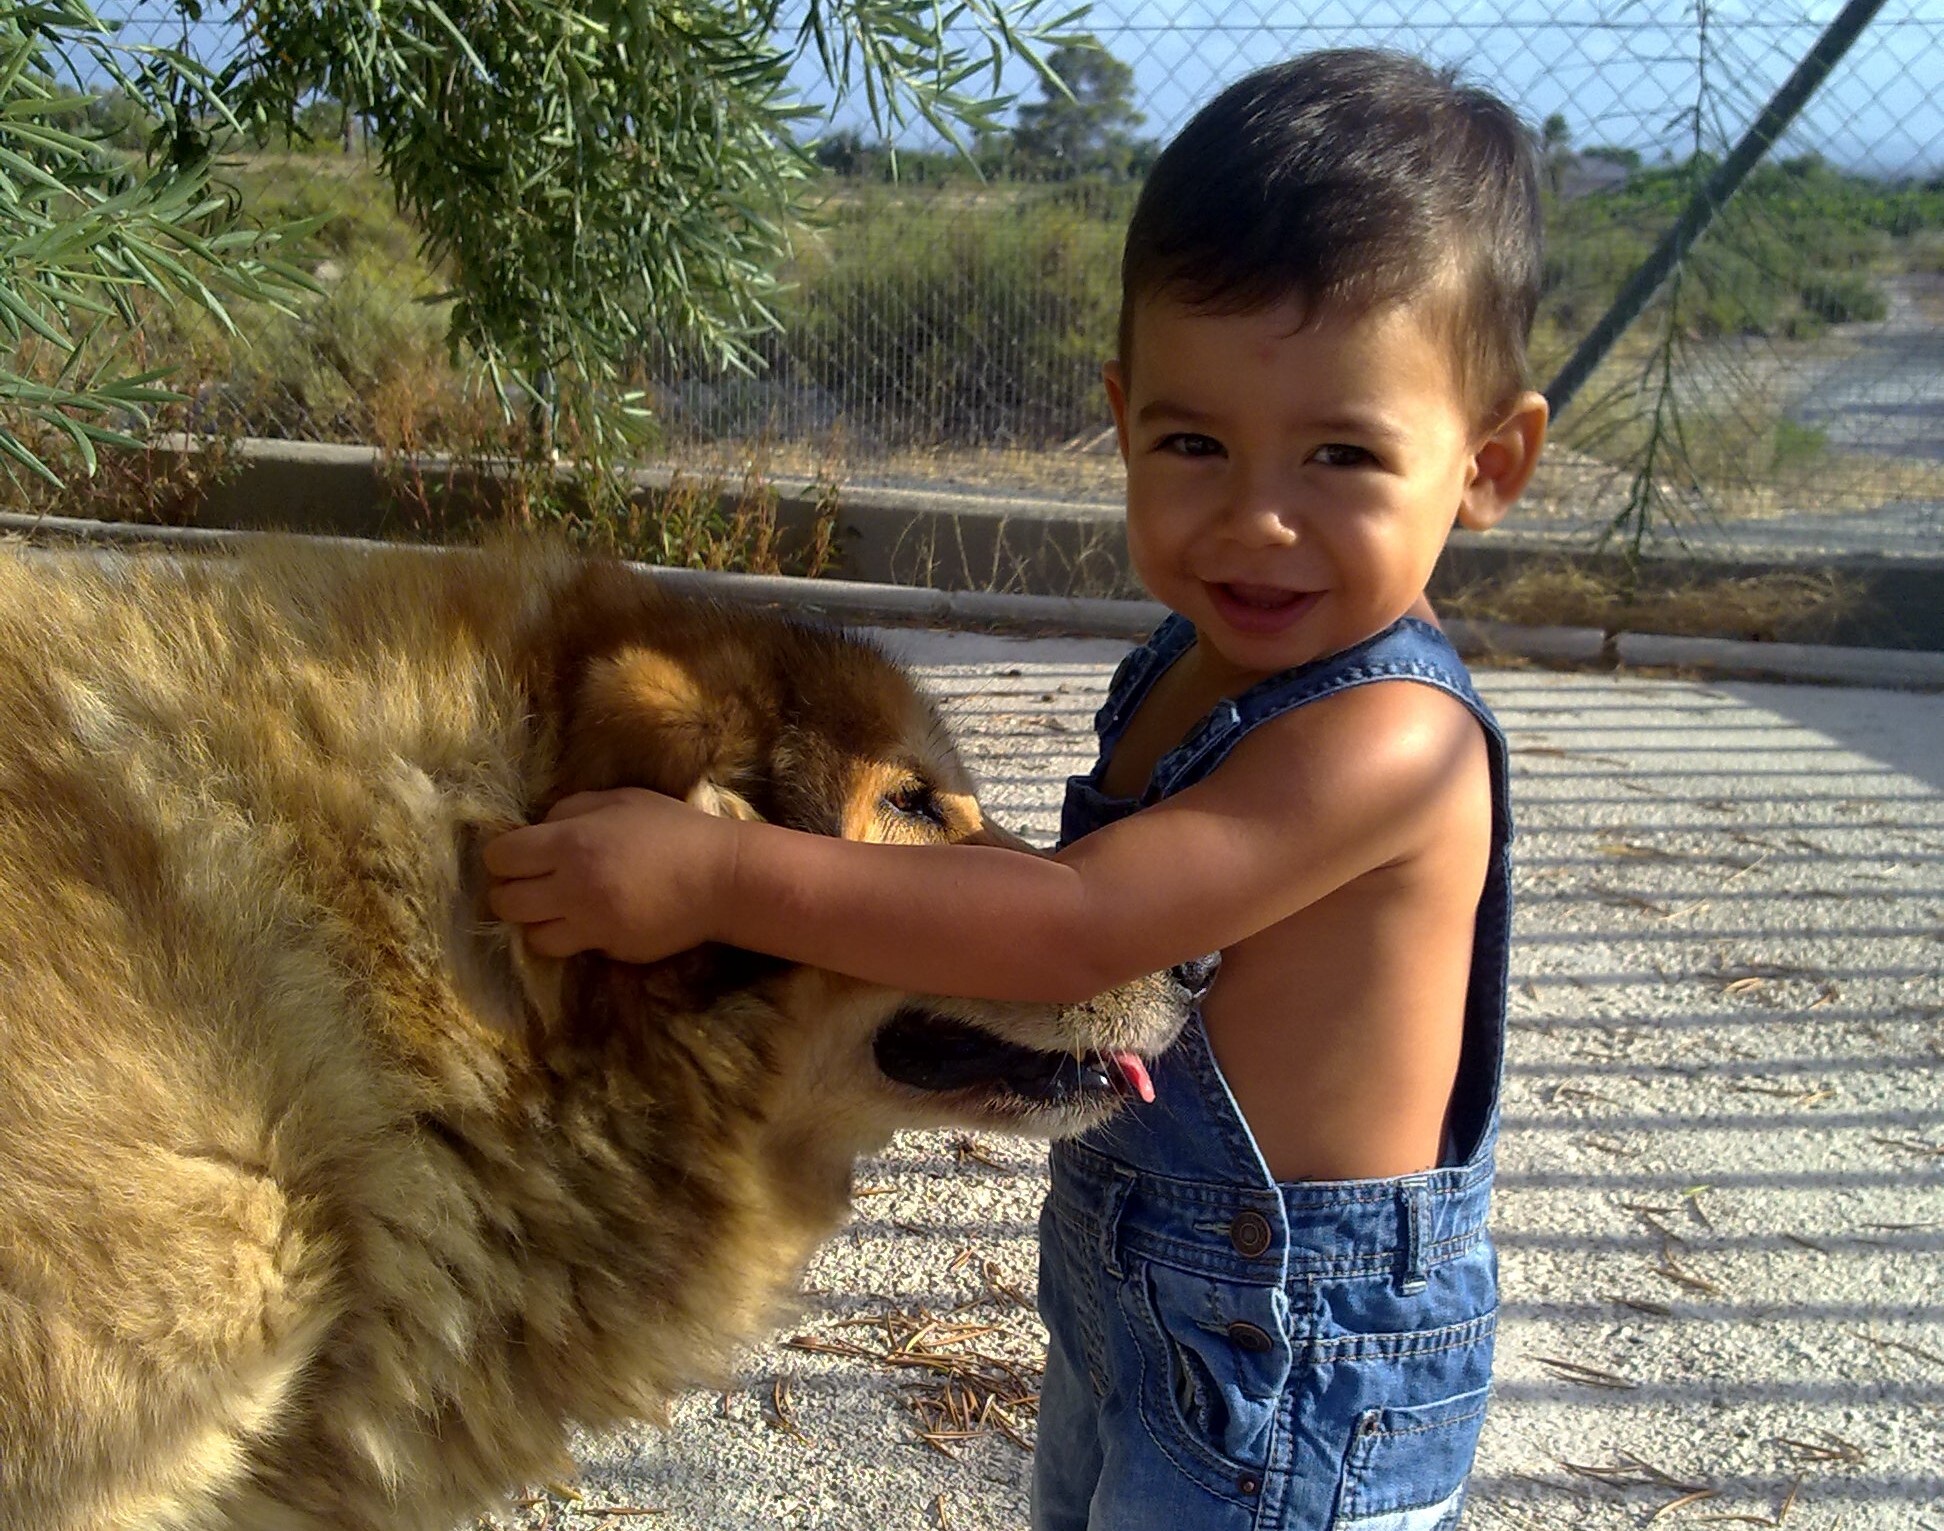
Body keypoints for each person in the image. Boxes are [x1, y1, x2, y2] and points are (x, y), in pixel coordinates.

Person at [487, 47, 1547, 1530]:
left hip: (1297, 1377)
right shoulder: (1197, 657)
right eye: (1194, 443)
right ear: (1120, 418)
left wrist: (716, 876)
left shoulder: (1390, 744)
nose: (1256, 516)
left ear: (1490, 465)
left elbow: (1077, 932)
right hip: (1141, 1303)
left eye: (1342, 455)